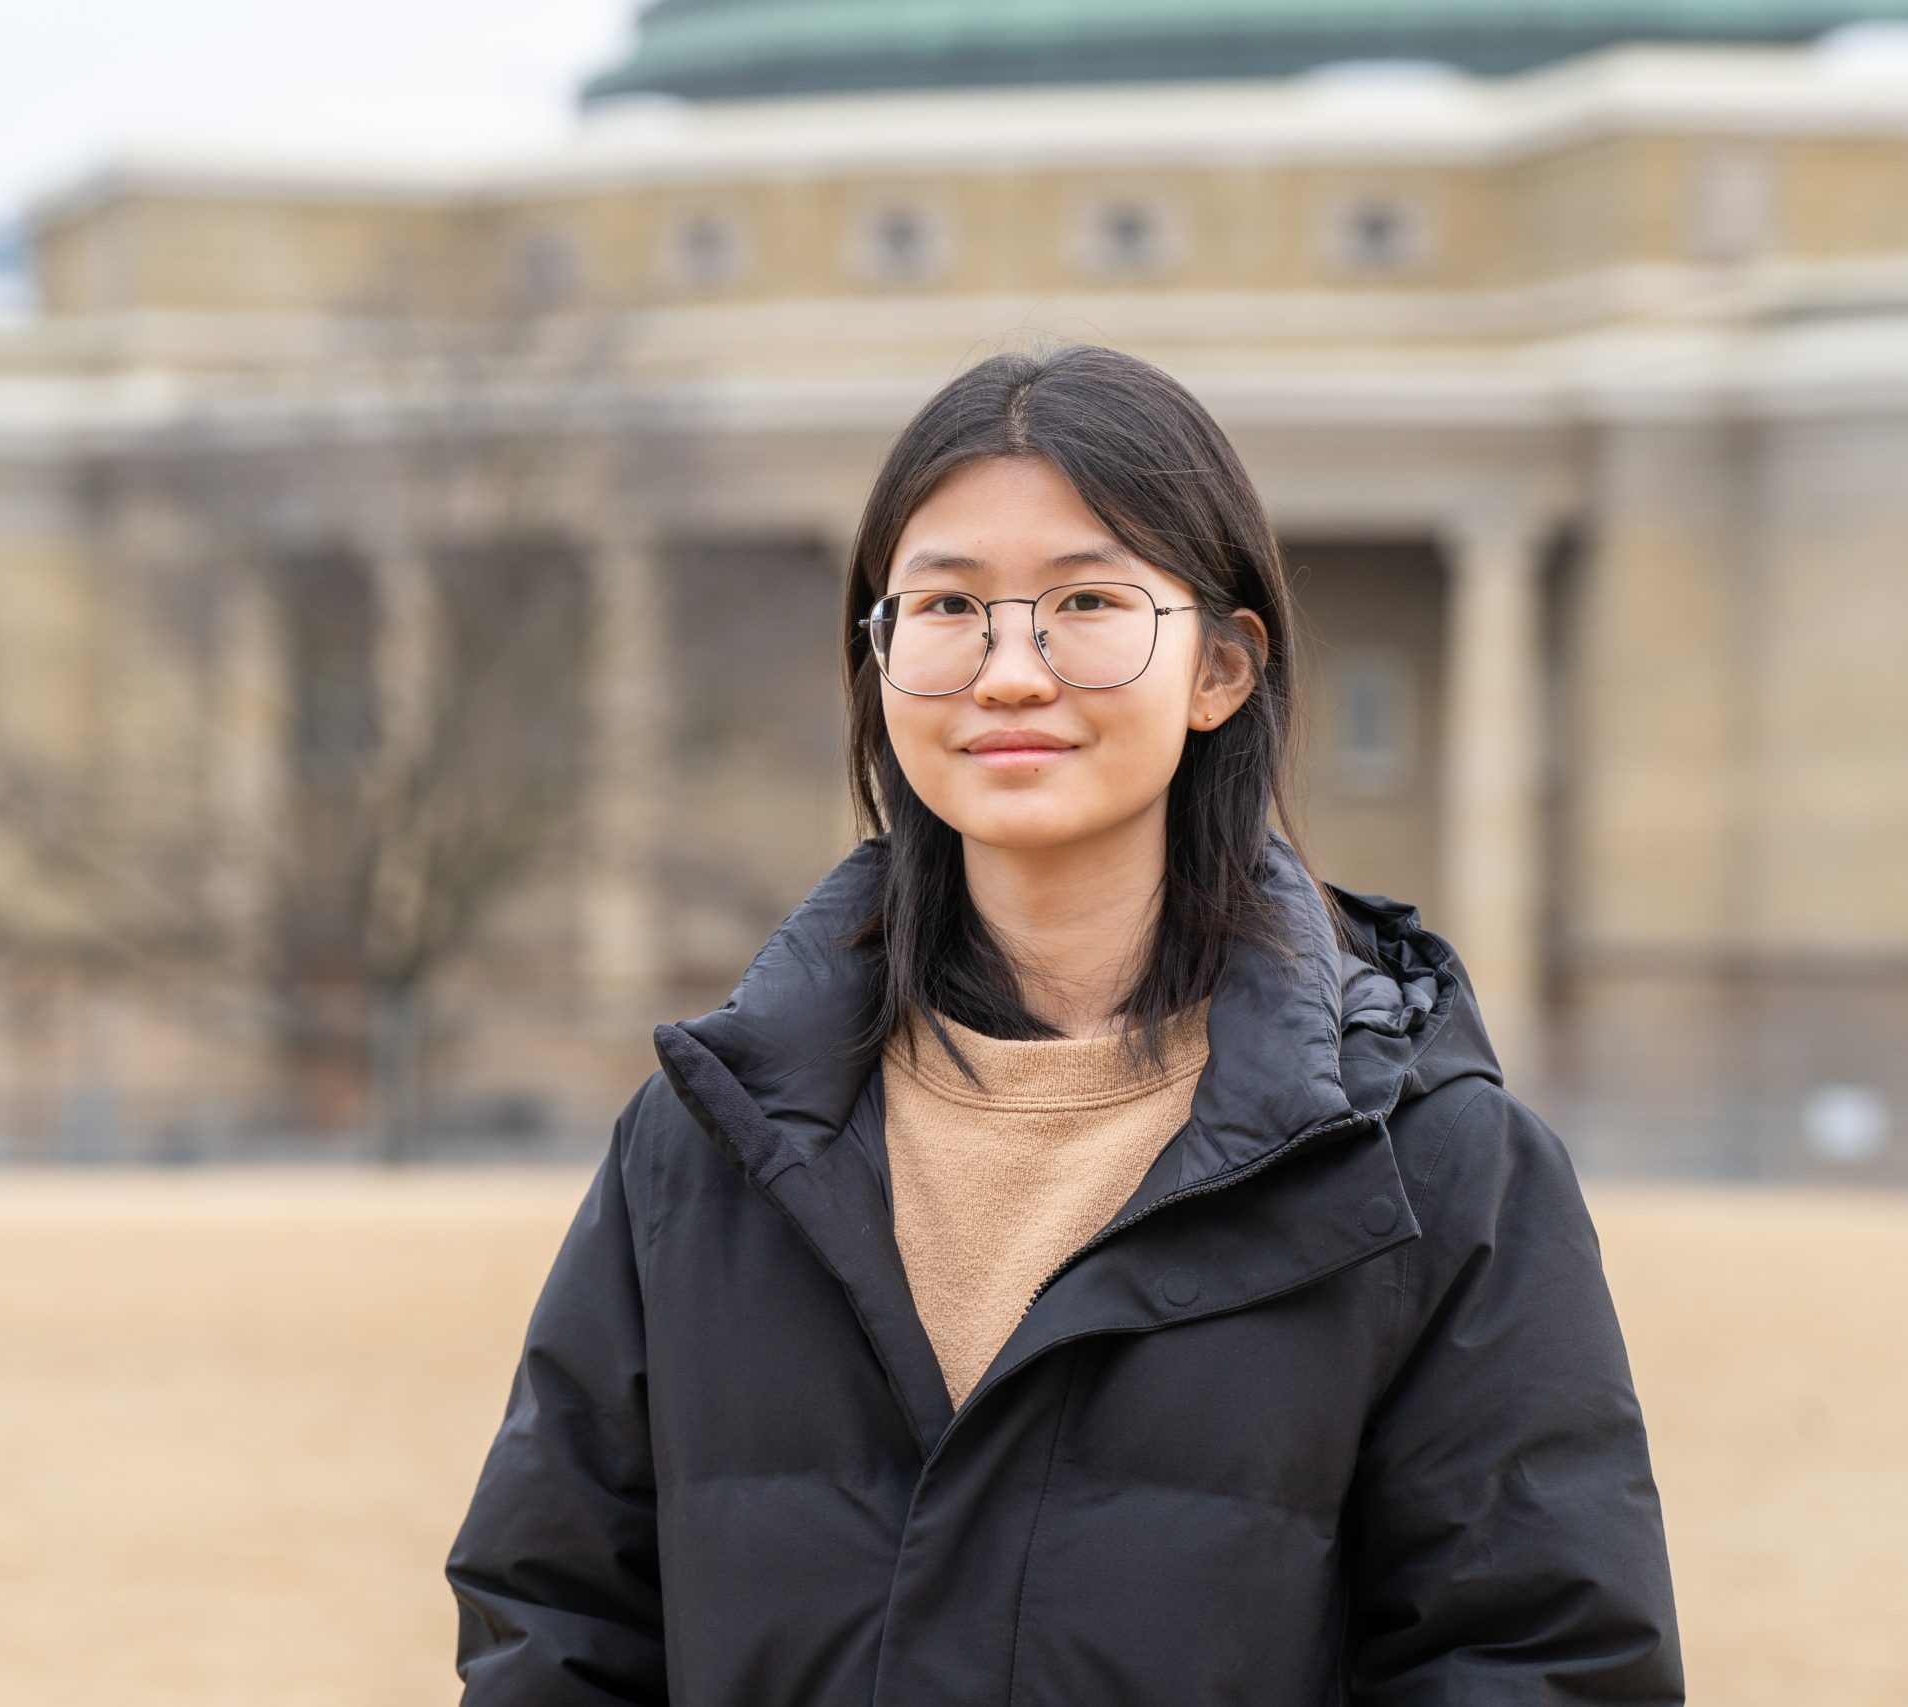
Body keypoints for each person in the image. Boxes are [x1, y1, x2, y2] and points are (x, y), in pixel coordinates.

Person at [446, 342, 1685, 1704]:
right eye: (947, 607)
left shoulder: (1436, 1167)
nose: (1011, 670)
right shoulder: (702, 1146)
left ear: (1221, 668)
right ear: (877, 663)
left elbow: (1541, 1663)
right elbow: (555, 1625)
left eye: (1086, 601)